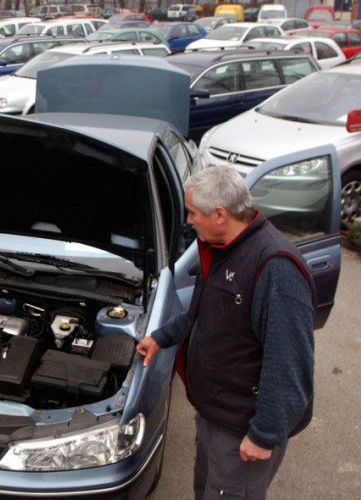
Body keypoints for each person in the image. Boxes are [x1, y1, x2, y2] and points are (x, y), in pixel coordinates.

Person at [136, 166, 316, 500]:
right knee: (205, 490)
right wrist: (160, 338)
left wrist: (265, 433)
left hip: (242, 428)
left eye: (192, 214)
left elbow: (289, 362)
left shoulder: (275, 267)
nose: (188, 221)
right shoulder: (221, 246)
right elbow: (203, 314)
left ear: (220, 214)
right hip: (214, 414)